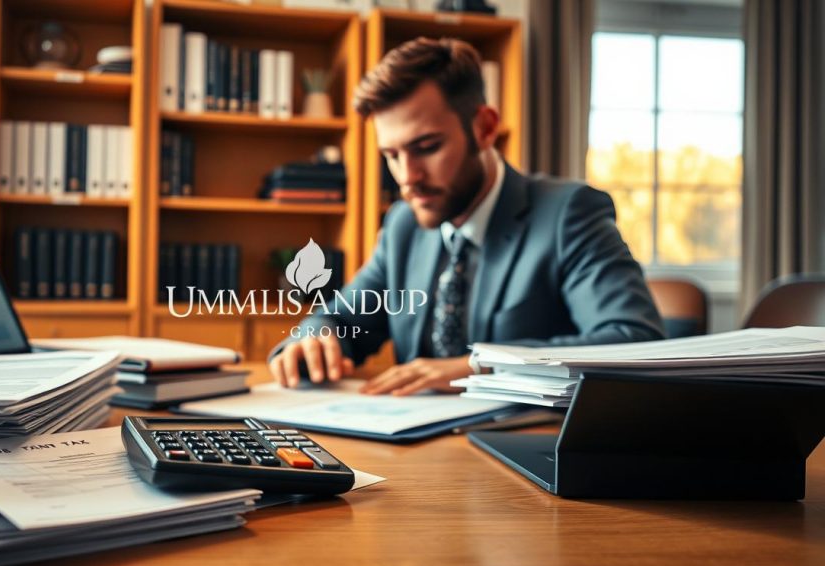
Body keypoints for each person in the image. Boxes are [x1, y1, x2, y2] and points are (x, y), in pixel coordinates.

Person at [269, 37, 664, 395]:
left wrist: (477, 365)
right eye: (391, 155)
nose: (408, 179)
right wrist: (313, 338)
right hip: (419, 450)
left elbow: (633, 340)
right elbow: (339, 317)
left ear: (485, 128)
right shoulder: (403, 224)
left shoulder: (568, 214)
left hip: (526, 455)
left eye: (427, 147)